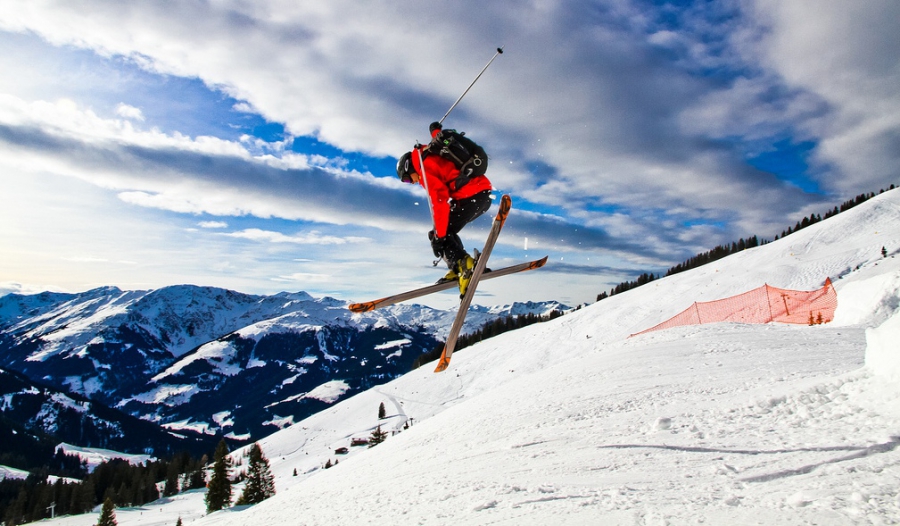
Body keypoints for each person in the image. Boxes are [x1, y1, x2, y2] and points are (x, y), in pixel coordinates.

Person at [396, 122, 493, 296]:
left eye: (408, 180)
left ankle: (464, 265)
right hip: (481, 196)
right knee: (445, 231)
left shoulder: (424, 169)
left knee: (441, 233)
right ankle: (459, 266)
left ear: (407, 167)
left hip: (472, 196)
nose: (413, 182)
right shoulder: (431, 152)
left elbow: (439, 202)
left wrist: (439, 237)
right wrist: (435, 130)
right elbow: (444, 140)